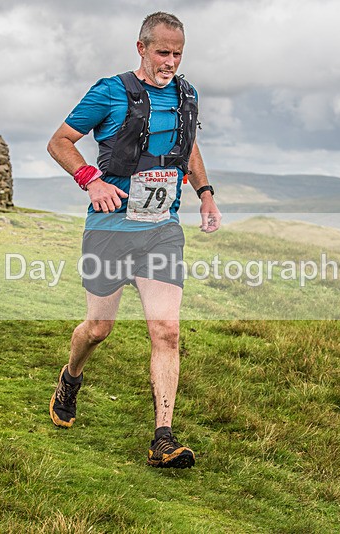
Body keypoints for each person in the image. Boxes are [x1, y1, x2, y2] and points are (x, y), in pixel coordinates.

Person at [46, 12, 221, 469]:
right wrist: (91, 180)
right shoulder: (109, 91)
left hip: (161, 230)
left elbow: (189, 147)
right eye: (162, 51)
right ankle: (71, 376)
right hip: (109, 229)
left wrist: (205, 193)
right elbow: (60, 141)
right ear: (141, 48)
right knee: (98, 329)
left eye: (178, 53)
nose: (170, 61)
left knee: (166, 330)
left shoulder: (188, 94)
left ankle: (163, 437)